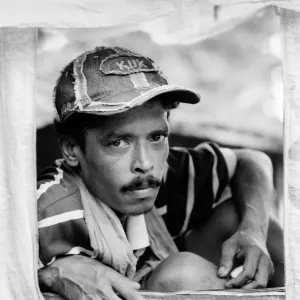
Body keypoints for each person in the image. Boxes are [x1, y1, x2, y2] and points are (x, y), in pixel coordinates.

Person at [37, 46, 284, 300]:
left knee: (242, 216)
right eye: (118, 142)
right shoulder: (48, 210)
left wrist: (252, 231)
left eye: (156, 137)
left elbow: (252, 161)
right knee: (180, 275)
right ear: (71, 149)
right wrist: (49, 274)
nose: (144, 163)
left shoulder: (165, 174)